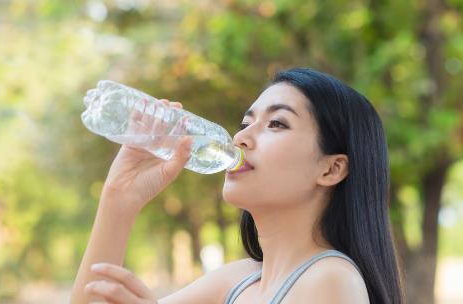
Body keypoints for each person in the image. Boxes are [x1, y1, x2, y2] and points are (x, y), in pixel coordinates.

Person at [71, 68, 404, 304]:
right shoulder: (236, 282)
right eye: (246, 123)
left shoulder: (331, 281)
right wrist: (120, 198)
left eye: (276, 123)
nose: (241, 137)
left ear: (332, 169)